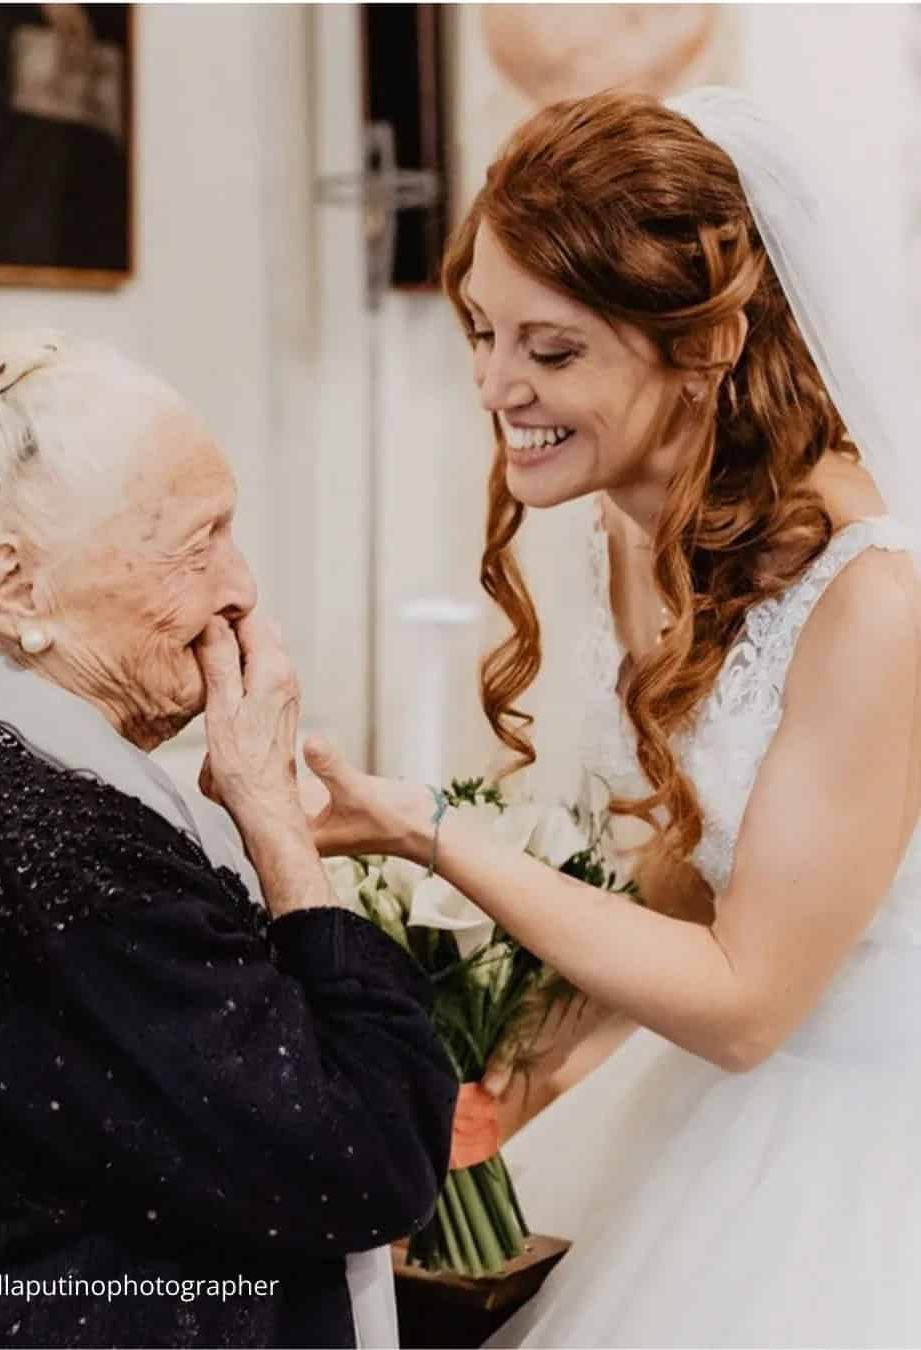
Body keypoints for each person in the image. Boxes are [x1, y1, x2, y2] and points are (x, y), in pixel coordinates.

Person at [294, 88, 921, 1347]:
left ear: (707, 345)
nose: (496, 385)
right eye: (481, 329)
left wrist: (435, 839)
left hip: (865, 1132)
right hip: (737, 1100)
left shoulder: (875, 605)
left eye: (552, 349)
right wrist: (510, 1084)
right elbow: (702, 868)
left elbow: (747, 1003)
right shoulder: (648, 534)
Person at [0, 330, 457, 1349]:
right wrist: (275, 827)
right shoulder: (64, 856)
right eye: (197, 542)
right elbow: (370, 1152)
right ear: (18, 590)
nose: (242, 586)